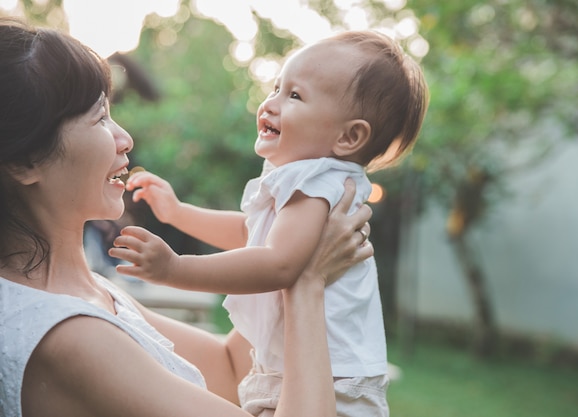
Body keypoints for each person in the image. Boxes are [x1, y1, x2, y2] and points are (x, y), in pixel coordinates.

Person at [0, 17, 374, 417]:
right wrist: (307, 282)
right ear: (25, 161)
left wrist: (296, 242)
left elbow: (231, 372)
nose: (125, 138)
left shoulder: (88, 293)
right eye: (100, 118)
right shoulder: (69, 335)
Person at [112, 30, 429, 416]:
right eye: (276, 87)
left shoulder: (317, 182)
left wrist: (175, 268)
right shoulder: (308, 180)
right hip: (303, 375)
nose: (270, 104)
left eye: (294, 96)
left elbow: (278, 263)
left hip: (332, 388)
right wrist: (179, 212)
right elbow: (251, 233)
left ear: (349, 136)